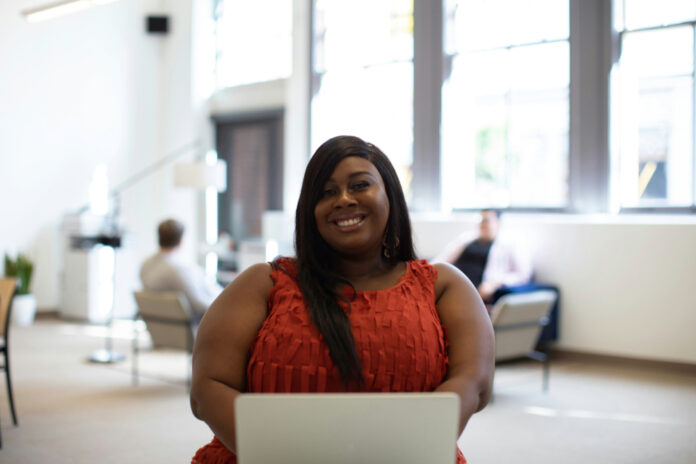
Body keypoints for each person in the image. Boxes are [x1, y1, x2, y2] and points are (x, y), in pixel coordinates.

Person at [189, 135, 494, 463]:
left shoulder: (442, 287)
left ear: (390, 194)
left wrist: (412, 445)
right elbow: (208, 387)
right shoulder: (262, 284)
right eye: (326, 192)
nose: (344, 199)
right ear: (310, 211)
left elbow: (473, 381)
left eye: (360, 185)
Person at [433, 209, 533, 304]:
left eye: (486, 221)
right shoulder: (466, 239)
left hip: (475, 292)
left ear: (497, 223)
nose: (482, 224)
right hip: (450, 285)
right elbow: (442, 260)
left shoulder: (510, 244)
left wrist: (494, 284)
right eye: (480, 220)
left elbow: (523, 275)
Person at [140, 219, 223, 320]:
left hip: (162, 326)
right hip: (194, 327)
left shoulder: (145, 265)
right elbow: (200, 305)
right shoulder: (179, 271)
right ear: (180, 240)